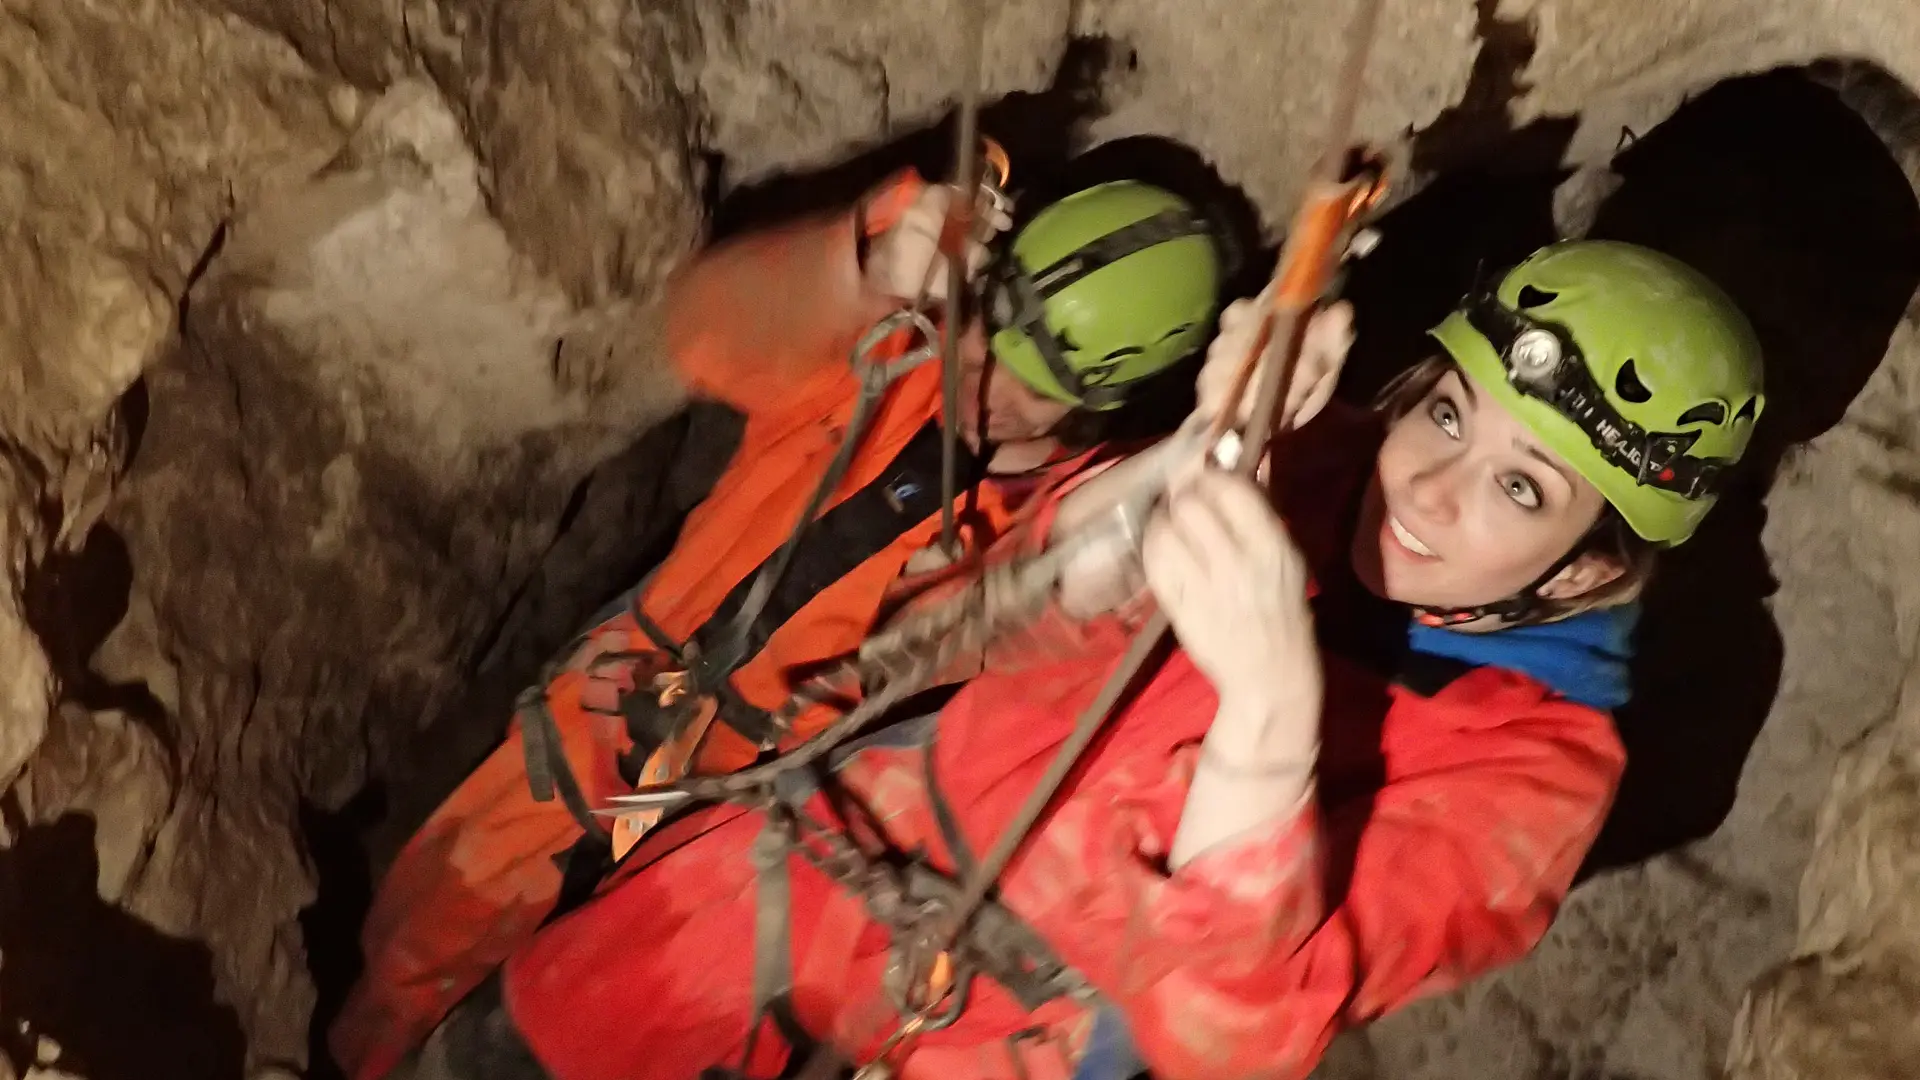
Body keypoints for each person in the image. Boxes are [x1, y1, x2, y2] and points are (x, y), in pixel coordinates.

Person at [434, 239, 1764, 1080]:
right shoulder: (1310, 464)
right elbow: (979, 616)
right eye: (1447, 414)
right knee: (524, 1039)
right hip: (819, 855)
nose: (1428, 486)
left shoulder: (1533, 777)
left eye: (1523, 493)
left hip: (1009, 1038)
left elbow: (1234, 1034)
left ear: (1592, 564)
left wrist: (1267, 729)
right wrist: (1201, 450)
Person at [330, 164, 1239, 1080]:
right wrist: (862, 264)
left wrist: (1195, 472)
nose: (990, 379)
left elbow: (1060, 602)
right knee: (418, 958)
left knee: (589, 1028)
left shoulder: (1046, 513)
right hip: (598, 729)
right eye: (991, 336)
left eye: (1037, 386)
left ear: (1101, 403)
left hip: (749, 838)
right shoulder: (880, 365)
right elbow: (704, 327)